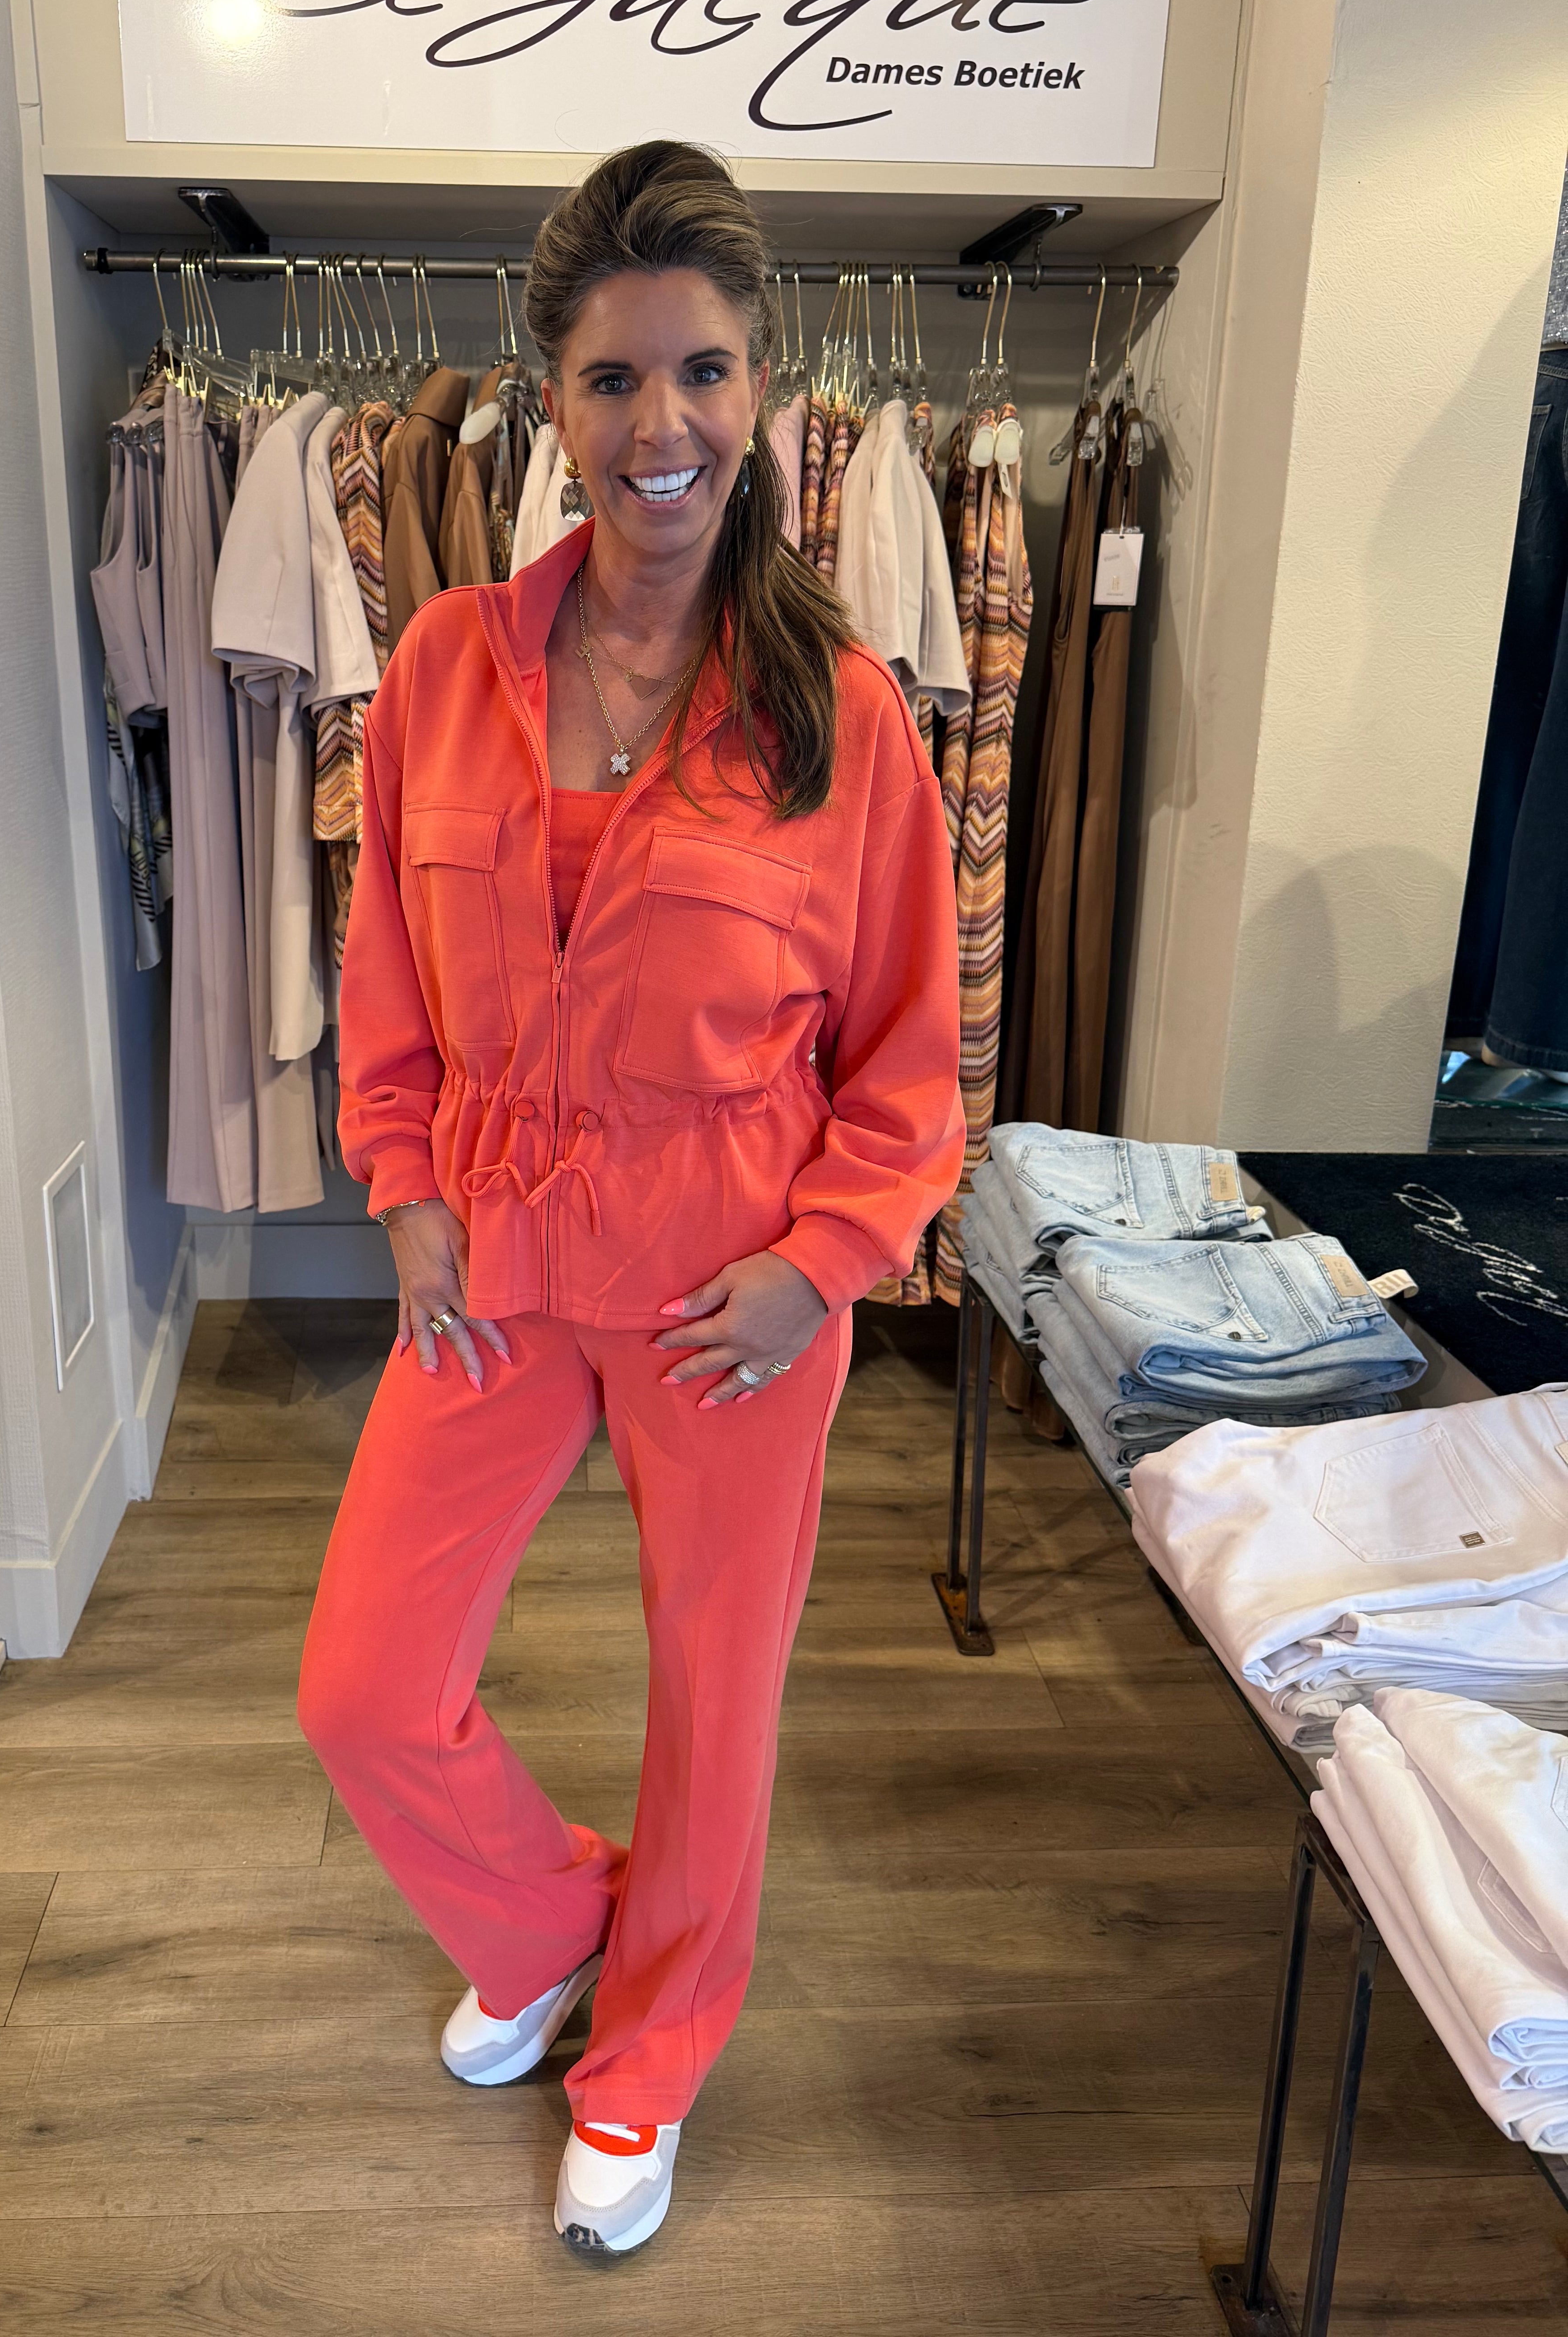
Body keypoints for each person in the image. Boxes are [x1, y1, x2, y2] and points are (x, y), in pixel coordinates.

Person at [297, 141, 963, 2257]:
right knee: (364, 1685)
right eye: (612, 379)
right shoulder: (445, 669)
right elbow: (387, 973)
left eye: (702, 373)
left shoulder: (845, 717)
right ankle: (550, 1922)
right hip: (492, 1254)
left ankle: (652, 2053)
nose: (660, 424)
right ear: (551, 402)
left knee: (715, 1700)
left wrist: (822, 1268)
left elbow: (909, 1058)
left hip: (729, 1283)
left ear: (763, 392)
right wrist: (401, 1181)